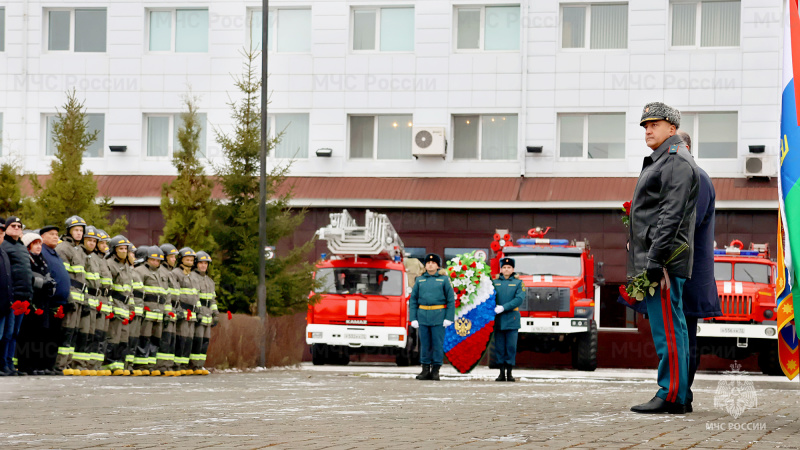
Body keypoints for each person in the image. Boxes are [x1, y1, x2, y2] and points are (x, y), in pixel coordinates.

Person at [629, 102, 699, 414]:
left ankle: (669, 394)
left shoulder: (674, 160)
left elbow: (670, 216)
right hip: (665, 258)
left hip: (664, 262)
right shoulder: (667, 158)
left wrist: (654, 261)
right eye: (645, 126)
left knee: (667, 329)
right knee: (676, 328)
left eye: (654, 124)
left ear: (672, 128)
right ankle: (679, 395)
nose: (648, 130)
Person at [677, 130, 722, 412]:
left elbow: (687, 228)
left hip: (690, 274)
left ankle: (683, 393)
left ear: (687, 147)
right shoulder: (686, 177)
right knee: (678, 335)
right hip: (682, 270)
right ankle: (677, 391)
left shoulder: (698, 178)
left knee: (686, 337)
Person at [408, 253, 455, 381]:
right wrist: (413, 318)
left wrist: (448, 318)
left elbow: (451, 300)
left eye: (433, 263)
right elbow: (413, 300)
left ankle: (435, 370)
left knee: (437, 344)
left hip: (438, 317)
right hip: (423, 316)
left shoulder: (444, 280)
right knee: (425, 344)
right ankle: (424, 370)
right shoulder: (420, 280)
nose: (430, 265)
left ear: (438, 265)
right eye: (428, 263)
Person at [17, 232, 57, 375]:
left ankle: (37, 365)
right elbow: (27, 276)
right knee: (27, 335)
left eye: (40, 243)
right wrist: (42, 282)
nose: (39, 246)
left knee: (39, 335)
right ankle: (25, 365)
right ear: (28, 246)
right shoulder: (26, 259)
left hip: (42, 302)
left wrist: (51, 284)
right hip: (31, 301)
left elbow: (47, 275)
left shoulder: (42, 260)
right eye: (35, 244)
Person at [54, 215, 88, 375]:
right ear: (69, 231)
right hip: (70, 297)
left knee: (73, 332)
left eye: (81, 230)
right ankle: (59, 365)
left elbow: (84, 278)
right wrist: (68, 298)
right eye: (76, 230)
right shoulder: (63, 249)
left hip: (80, 299)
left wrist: (85, 300)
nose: (79, 233)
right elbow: (63, 276)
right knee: (66, 332)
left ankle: (67, 364)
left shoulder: (80, 250)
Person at [1, 216, 33, 376]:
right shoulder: (5, 245)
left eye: (19, 226)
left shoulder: (21, 246)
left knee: (15, 333)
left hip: (24, 297)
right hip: (11, 297)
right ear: (6, 228)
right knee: (6, 333)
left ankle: (10, 364)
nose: (16, 228)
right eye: (12, 225)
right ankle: (3, 364)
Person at [39, 225, 70, 374]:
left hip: (60, 302)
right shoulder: (43, 251)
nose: (55, 237)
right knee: (45, 335)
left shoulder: (55, 253)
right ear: (42, 237)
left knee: (55, 336)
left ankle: (49, 365)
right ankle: (43, 365)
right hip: (49, 300)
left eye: (57, 234)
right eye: (51, 234)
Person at [134, 246, 168, 376]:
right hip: (147, 311)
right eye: (153, 260)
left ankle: (151, 364)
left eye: (158, 260)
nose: (156, 263)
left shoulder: (162, 274)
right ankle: (141, 364)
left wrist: (165, 311)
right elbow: (138, 292)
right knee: (144, 338)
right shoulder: (140, 271)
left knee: (155, 339)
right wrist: (141, 308)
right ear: (147, 259)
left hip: (158, 313)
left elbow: (165, 293)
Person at [103, 235, 133, 376]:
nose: (123, 251)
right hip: (115, 305)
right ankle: (110, 363)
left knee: (123, 338)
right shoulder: (109, 263)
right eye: (120, 248)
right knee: (113, 337)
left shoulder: (126, 266)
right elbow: (108, 288)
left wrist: (131, 309)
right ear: (114, 249)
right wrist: (110, 306)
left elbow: (130, 289)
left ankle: (120, 363)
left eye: (125, 249)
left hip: (125, 307)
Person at [492, 257, 525, 382]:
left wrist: (504, 307)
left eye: (509, 267)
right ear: (501, 269)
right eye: (504, 267)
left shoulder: (518, 283)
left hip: (512, 318)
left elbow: (519, 299)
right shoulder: (495, 282)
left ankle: (510, 373)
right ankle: (501, 373)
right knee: (499, 347)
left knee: (511, 346)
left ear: (513, 269)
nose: (506, 269)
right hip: (498, 319)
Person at [156, 244, 181, 376]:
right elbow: (165, 293)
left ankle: (168, 365)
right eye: (171, 257)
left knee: (171, 339)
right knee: (164, 339)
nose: (174, 259)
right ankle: (161, 365)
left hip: (173, 310)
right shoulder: (162, 272)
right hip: (166, 309)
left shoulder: (170, 273)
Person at [173, 247, 199, 375]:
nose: (190, 261)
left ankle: (184, 364)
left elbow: (196, 294)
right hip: (182, 310)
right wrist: (178, 310)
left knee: (189, 339)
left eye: (192, 259)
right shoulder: (176, 273)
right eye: (187, 259)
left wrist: (198, 309)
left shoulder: (193, 276)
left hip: (192, 313)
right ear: (181, 260)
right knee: (181, 338)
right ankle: (177, 365)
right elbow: (175, 293)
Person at [190, 251, 216, 375]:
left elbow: (212, 299)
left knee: (205, 341)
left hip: (208, 316)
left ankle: (200, 365)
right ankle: (194, 365)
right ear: (196, 264)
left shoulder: (210, 281)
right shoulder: (192, 278)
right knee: (197, 340)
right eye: (201, 263)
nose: (203, 265)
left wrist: (215, 313)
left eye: (205, 263)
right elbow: (194, 297)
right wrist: (198, 312)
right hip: (199, 314)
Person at [127, 245, 146, 375]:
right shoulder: (131, 271)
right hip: (128, 309)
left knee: (134, 339)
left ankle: (129, 364)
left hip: (137, 310)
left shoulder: (135, 271)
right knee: (125, 338)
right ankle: (124, 364)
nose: (134, 256)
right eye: (132, 254)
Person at [0, 219, 15, 377]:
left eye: (1, 233)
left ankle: (4, 364)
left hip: (5, 301)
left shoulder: (3, 252)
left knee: (5, 335)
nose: (0, 236)